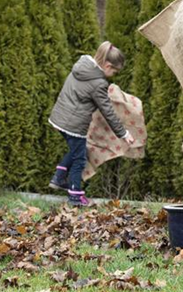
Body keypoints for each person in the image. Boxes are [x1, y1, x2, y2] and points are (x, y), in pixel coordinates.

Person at [48, 41, 134, 206]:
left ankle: (59, 176)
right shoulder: (98, 83)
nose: (113, 75)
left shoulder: (81, 66)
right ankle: (75, 196)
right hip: (74, 125)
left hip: (59, 118)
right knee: (80, 159)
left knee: (76, 150)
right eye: (114, 71)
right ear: (108, 65)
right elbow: (107, 111)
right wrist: (124, 133)